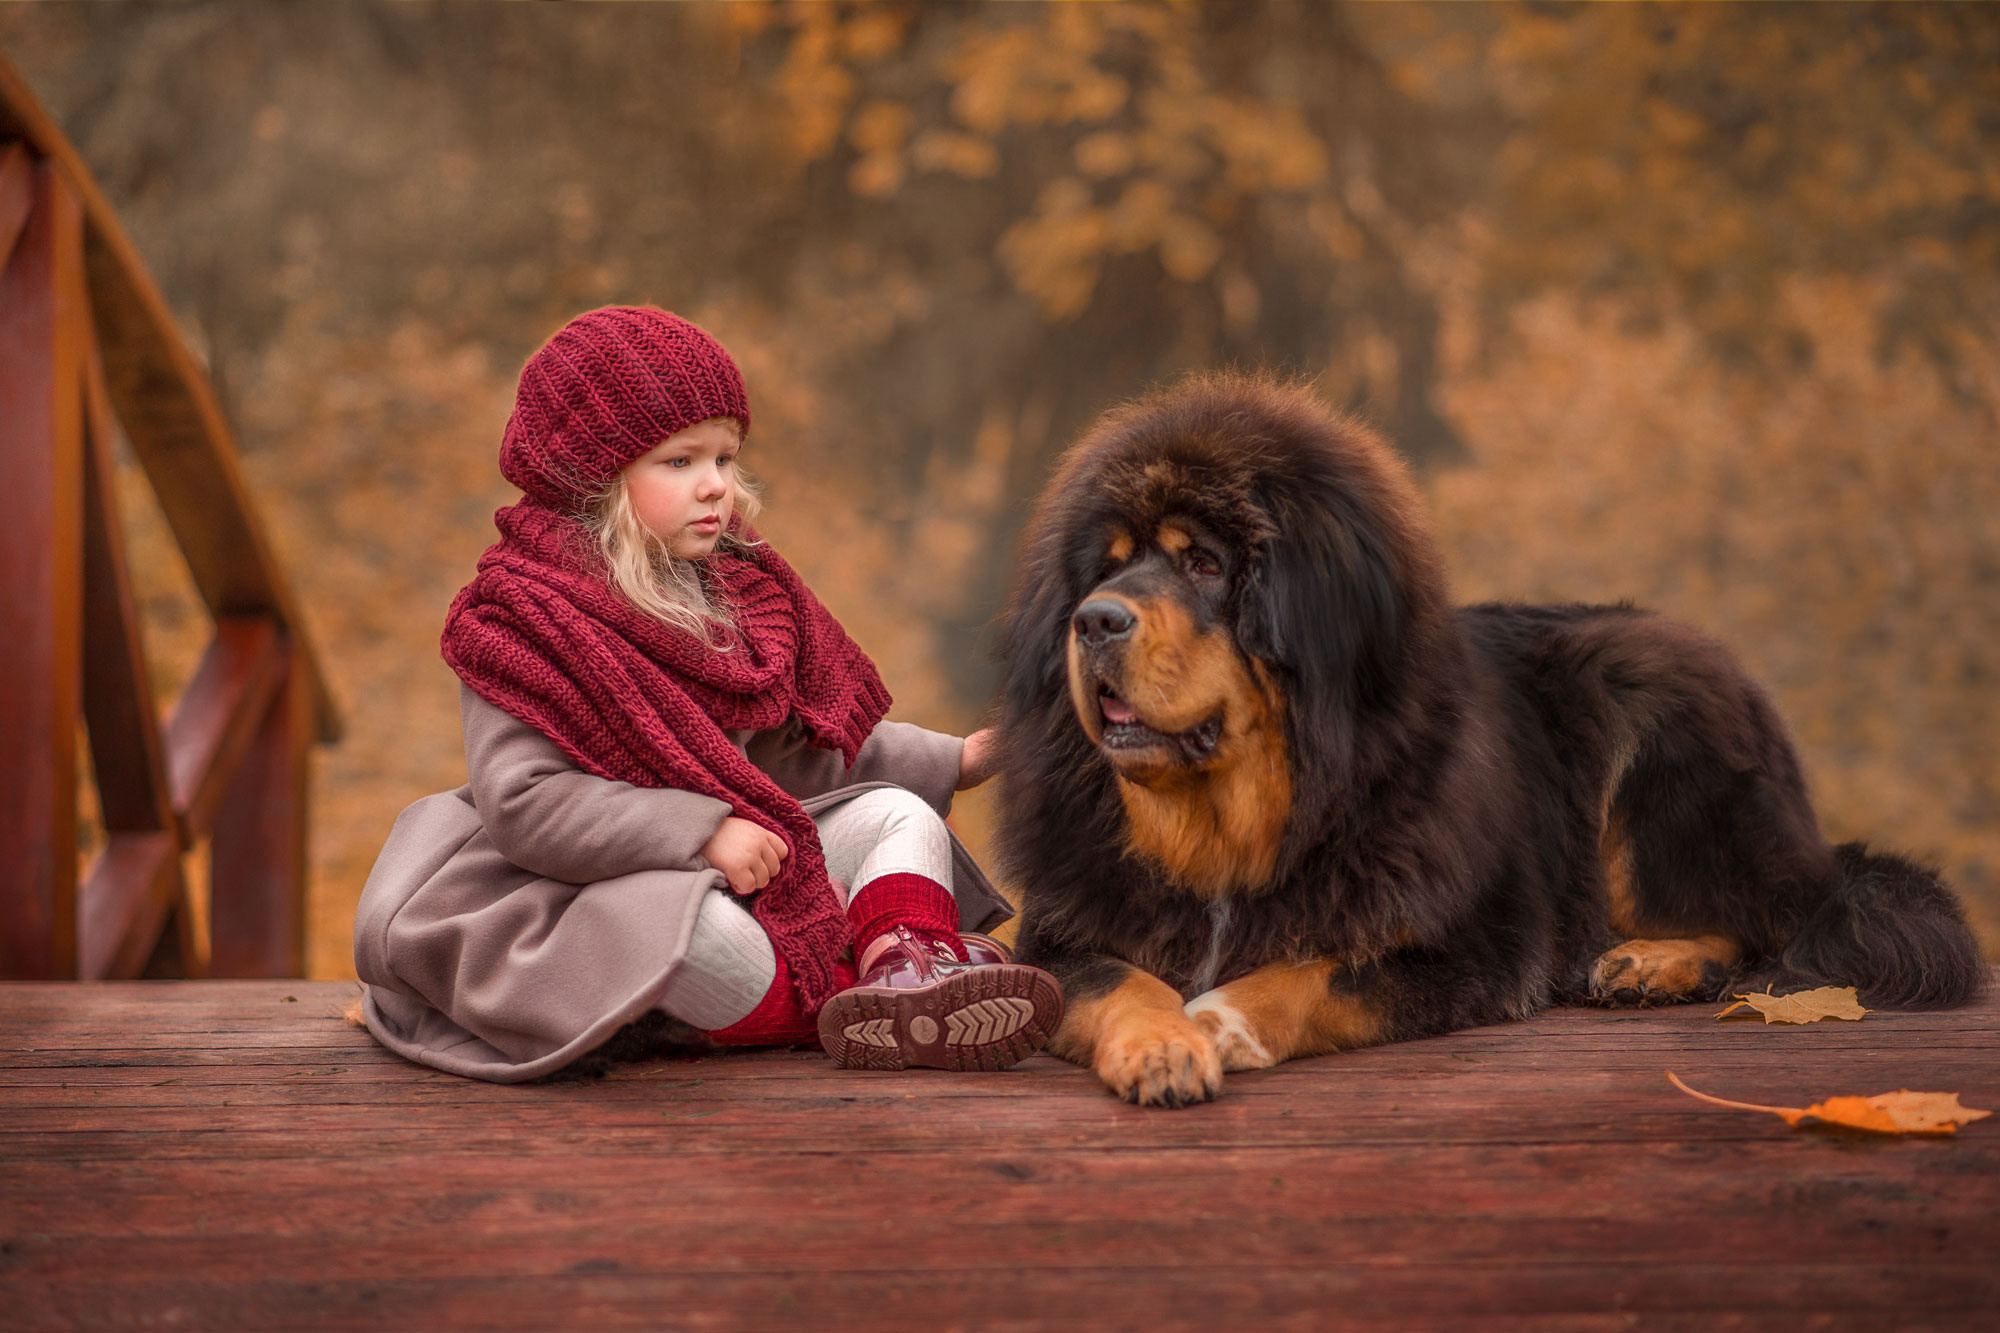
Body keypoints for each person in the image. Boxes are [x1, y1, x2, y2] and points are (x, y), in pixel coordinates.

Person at [352, 306, 1061, 1083]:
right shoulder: (518, 622)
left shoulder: (733, 592)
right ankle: (855, 994)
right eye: (680, 461)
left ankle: (907, 972)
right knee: (691, 934)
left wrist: (958, 757)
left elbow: (797, 749)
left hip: (742, 856)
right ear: (594, 473)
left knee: (898, 811)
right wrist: (701, 832)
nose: (716, 486)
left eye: (725, 457)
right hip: (577, 884)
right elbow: (529, 806)